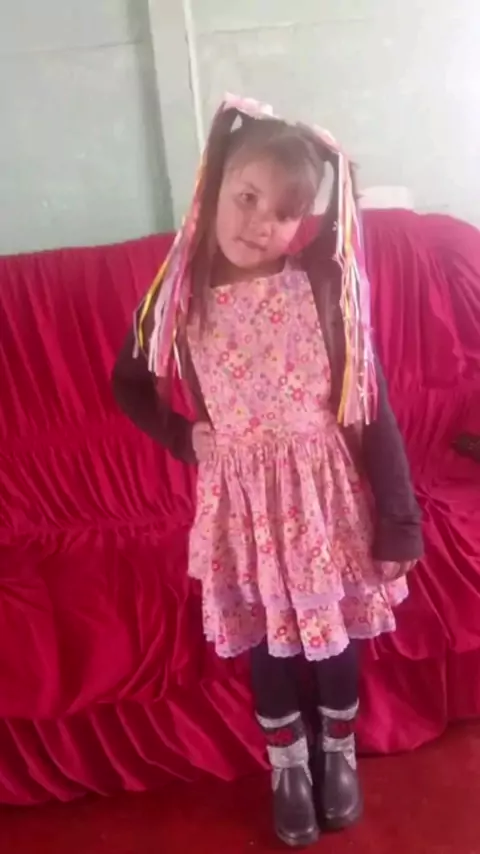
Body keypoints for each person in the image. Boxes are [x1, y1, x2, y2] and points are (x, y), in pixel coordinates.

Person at [112, 96, 423, 848]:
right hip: (243, 510)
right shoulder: (180, 295)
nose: (259, 223)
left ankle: (337, 751)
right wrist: (183, 436)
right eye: (247, 197)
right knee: (269, 641)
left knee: (334, 634)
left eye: (284, 214)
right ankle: (287, 764)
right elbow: (128, 384)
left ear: (303, 224)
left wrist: (399, 517)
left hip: (323, 502)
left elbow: (370, 404)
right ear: (214, 184)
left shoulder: (322, 287)